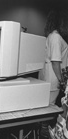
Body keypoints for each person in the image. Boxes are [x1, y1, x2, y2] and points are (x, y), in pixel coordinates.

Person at [38, 7, 68, 138]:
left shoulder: (51, 35)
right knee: (49, 107)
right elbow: (56, 61)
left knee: (46, 106)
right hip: (54, 76)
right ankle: (44, 132)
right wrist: (62, 80)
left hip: (48, 74)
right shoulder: (56, 37)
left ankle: (44, 130)